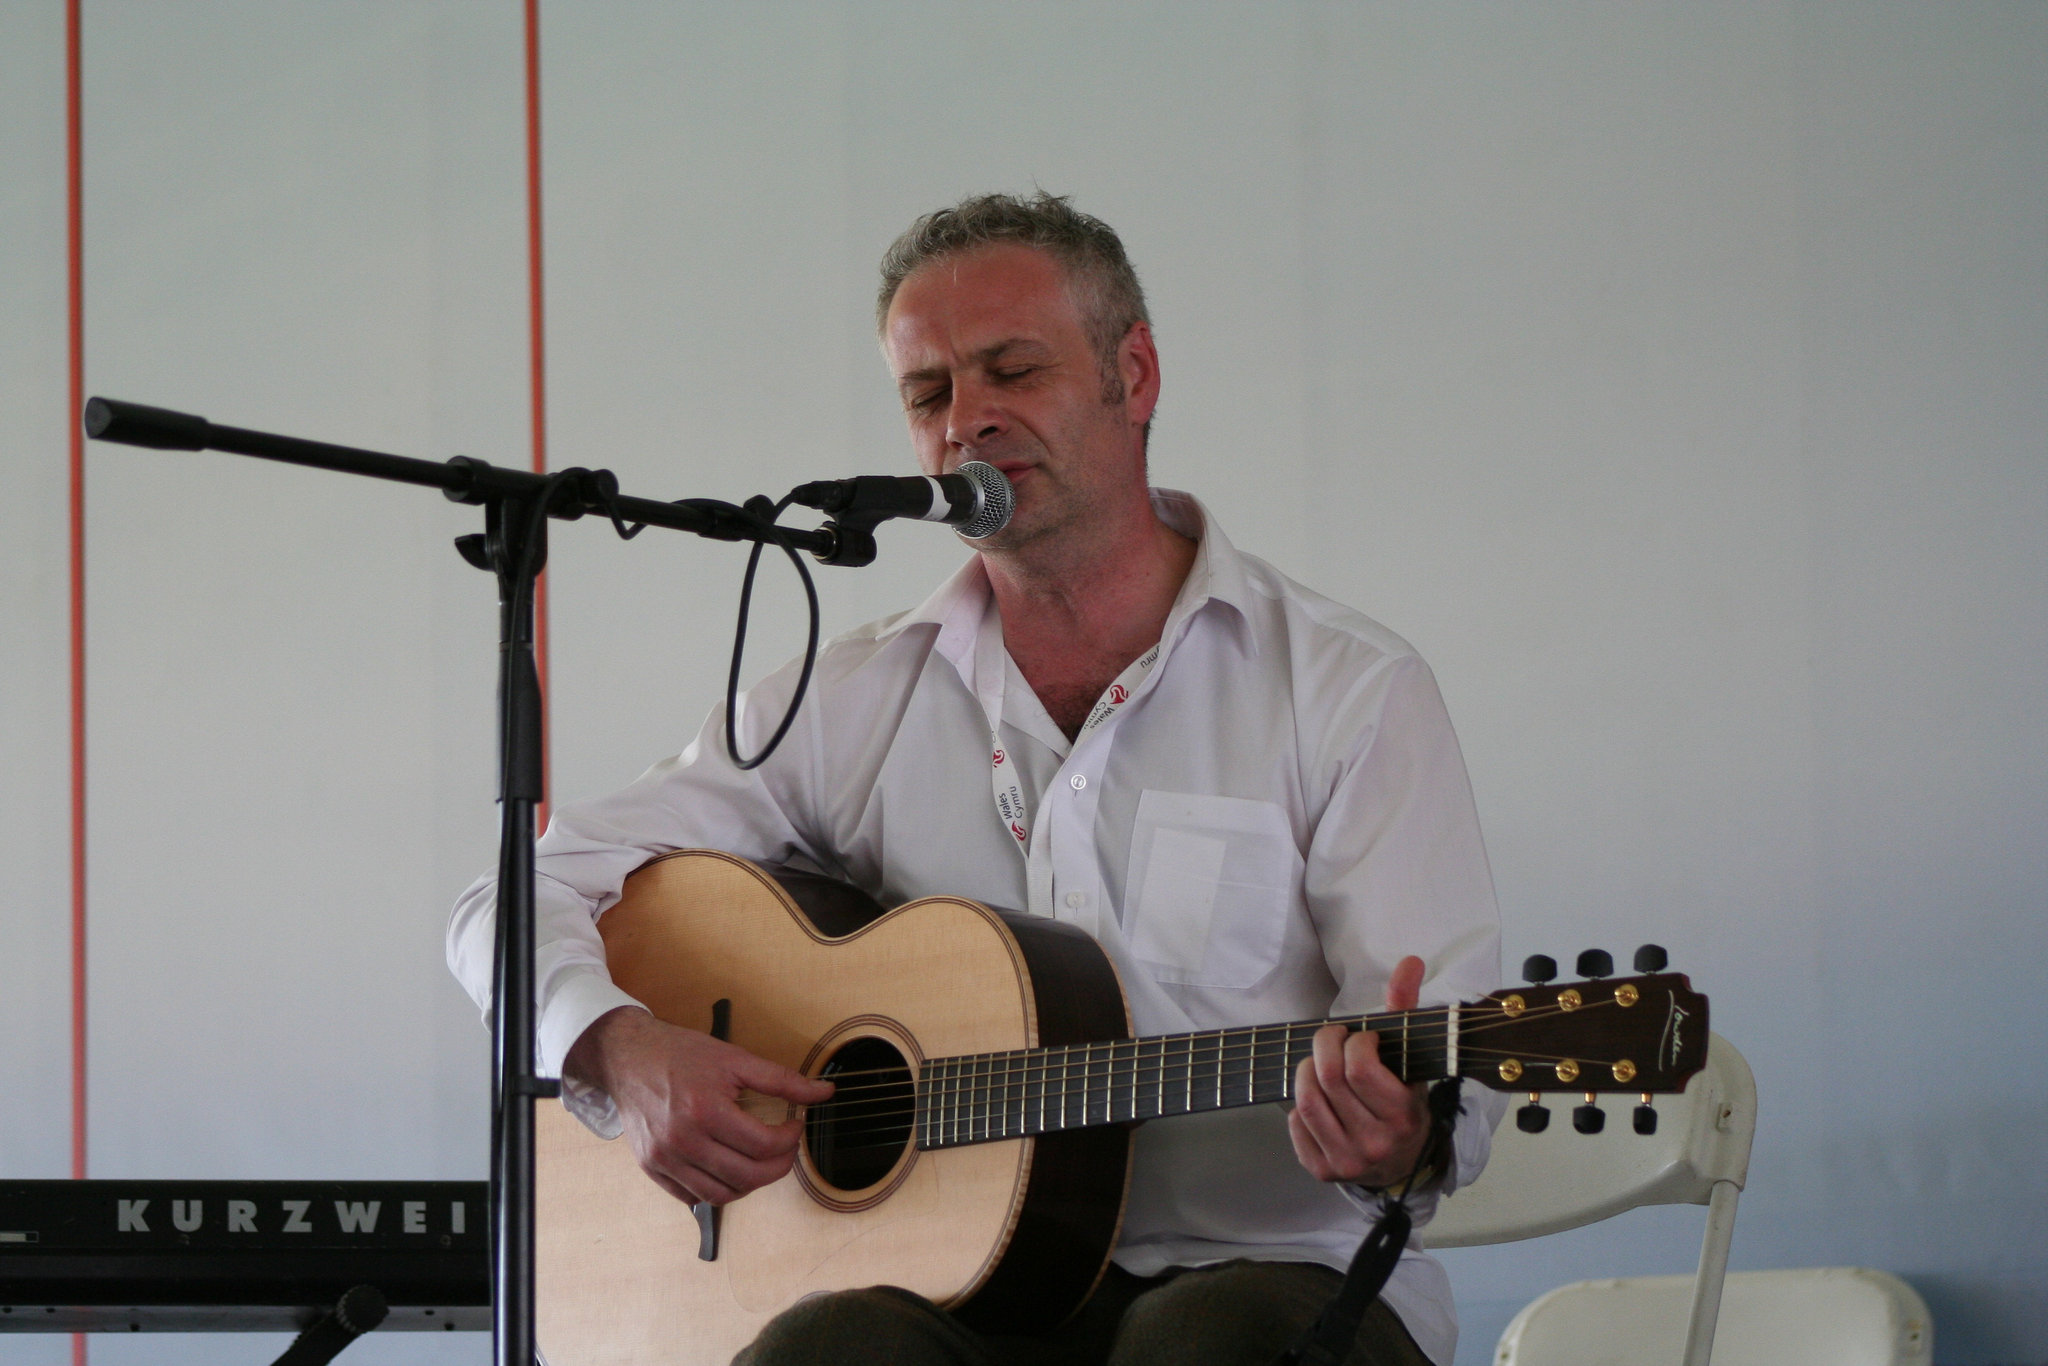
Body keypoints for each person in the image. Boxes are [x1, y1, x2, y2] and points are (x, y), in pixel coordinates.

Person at [448, 192, 1502, 1366]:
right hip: (952, 1293)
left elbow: (1448, 1095)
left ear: (1134, 375)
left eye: (1013, 370)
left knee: (1204, 1345)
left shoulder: (1346, 690)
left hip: (1277, 1279)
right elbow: (502, 899)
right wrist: (618, 1047)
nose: (968, 423)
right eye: (927, 393)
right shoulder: (852, 699)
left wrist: (1398, 1131)